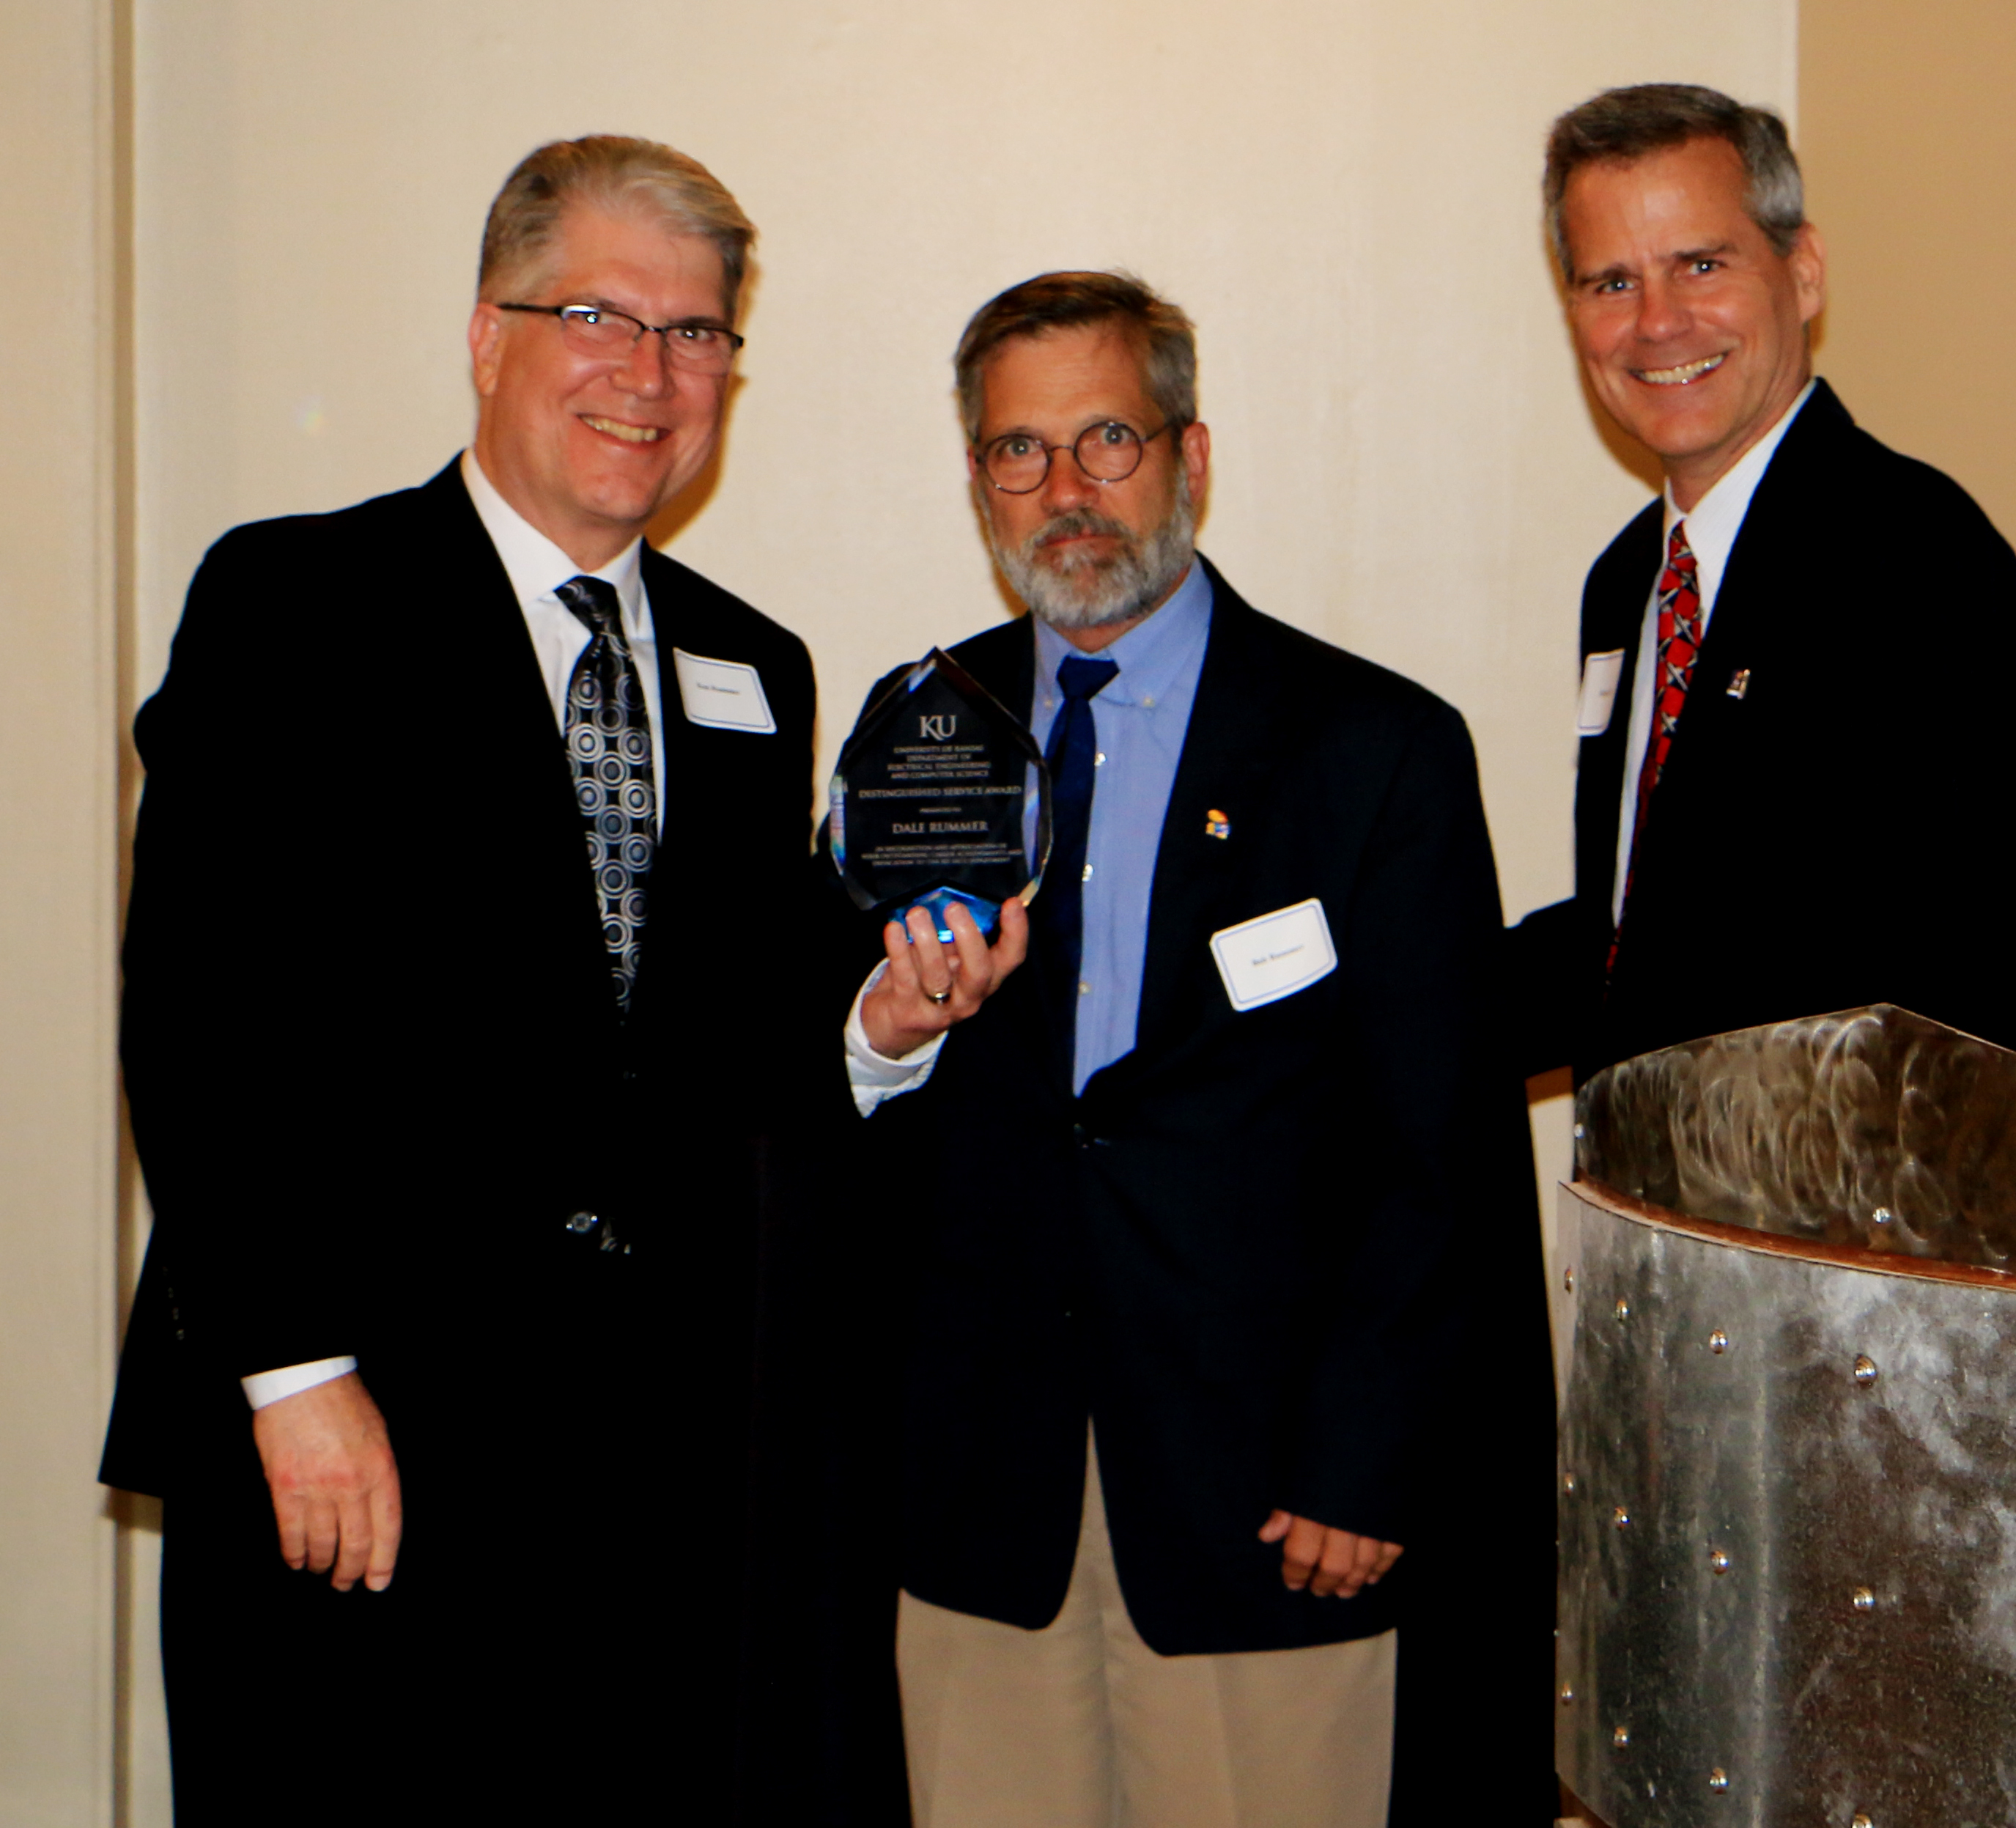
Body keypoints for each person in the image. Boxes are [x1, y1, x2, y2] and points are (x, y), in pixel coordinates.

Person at [102, 136, 821, 1820]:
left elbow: (715, 1034)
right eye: (598, 313)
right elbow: (199, 1008)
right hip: (356, 1440)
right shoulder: (296, 600)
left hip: (641, 1474)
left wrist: (878, 1024)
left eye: (696, 333)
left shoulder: (751, 665)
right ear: (488, 334)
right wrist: (293, 1369)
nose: (649, 374)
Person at [831, 270, 1551, 1828]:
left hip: (1267, 1497)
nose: (1067, 492)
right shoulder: (910, 748)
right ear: (976, 482)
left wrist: (1367, 1461)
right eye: (1018, 452)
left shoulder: (1374, 751)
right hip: (978, 1494)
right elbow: (850, 1109)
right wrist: (882, 1040)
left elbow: (1439, 1152)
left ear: (1191, 455)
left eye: (1107, 438)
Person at [1509, 84, 2016, 1086]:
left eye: (1700, 264)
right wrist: (1373, 997)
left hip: (1875, 1223)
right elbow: (1638, 931)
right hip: (1677, 1215)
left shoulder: (1915, 560)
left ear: (1805, 271)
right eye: (1610, 282)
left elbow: (1944, 975)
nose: (1657, 322)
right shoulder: (1626, 587)